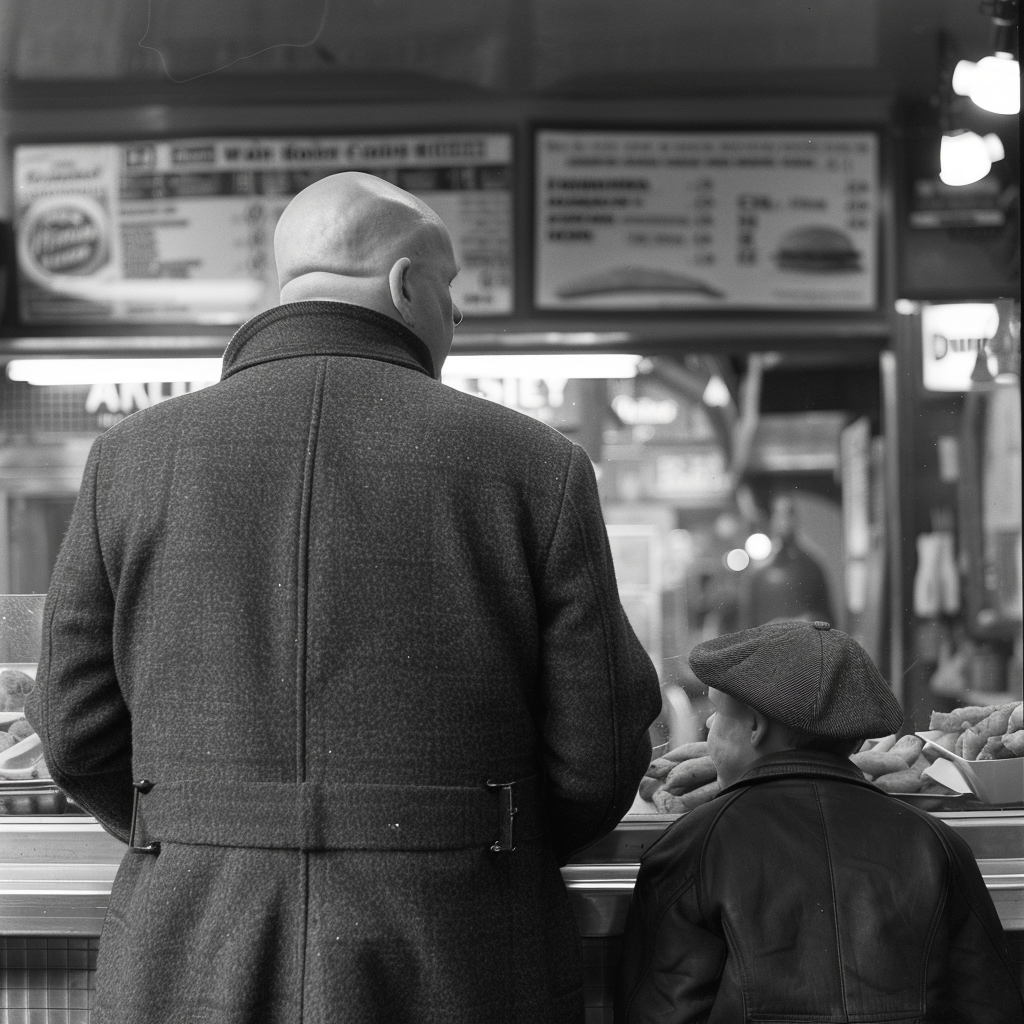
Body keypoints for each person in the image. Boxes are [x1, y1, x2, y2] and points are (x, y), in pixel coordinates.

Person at [27, 171, 662, 1024]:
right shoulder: (535, 466)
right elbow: (599, 753)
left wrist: (194, 827)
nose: (459, 314)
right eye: (450, 288)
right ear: (405, 286)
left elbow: (73, 731)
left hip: (191, 936)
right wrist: (478, 836)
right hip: (462, 944)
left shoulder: (131, 461)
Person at [615, 619, 1024, 1023]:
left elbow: (662, 1012)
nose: (707, 725)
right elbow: (990, 1007)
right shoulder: (938, 846)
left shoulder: (689, 848)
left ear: (755, 727)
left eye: (718, 713)